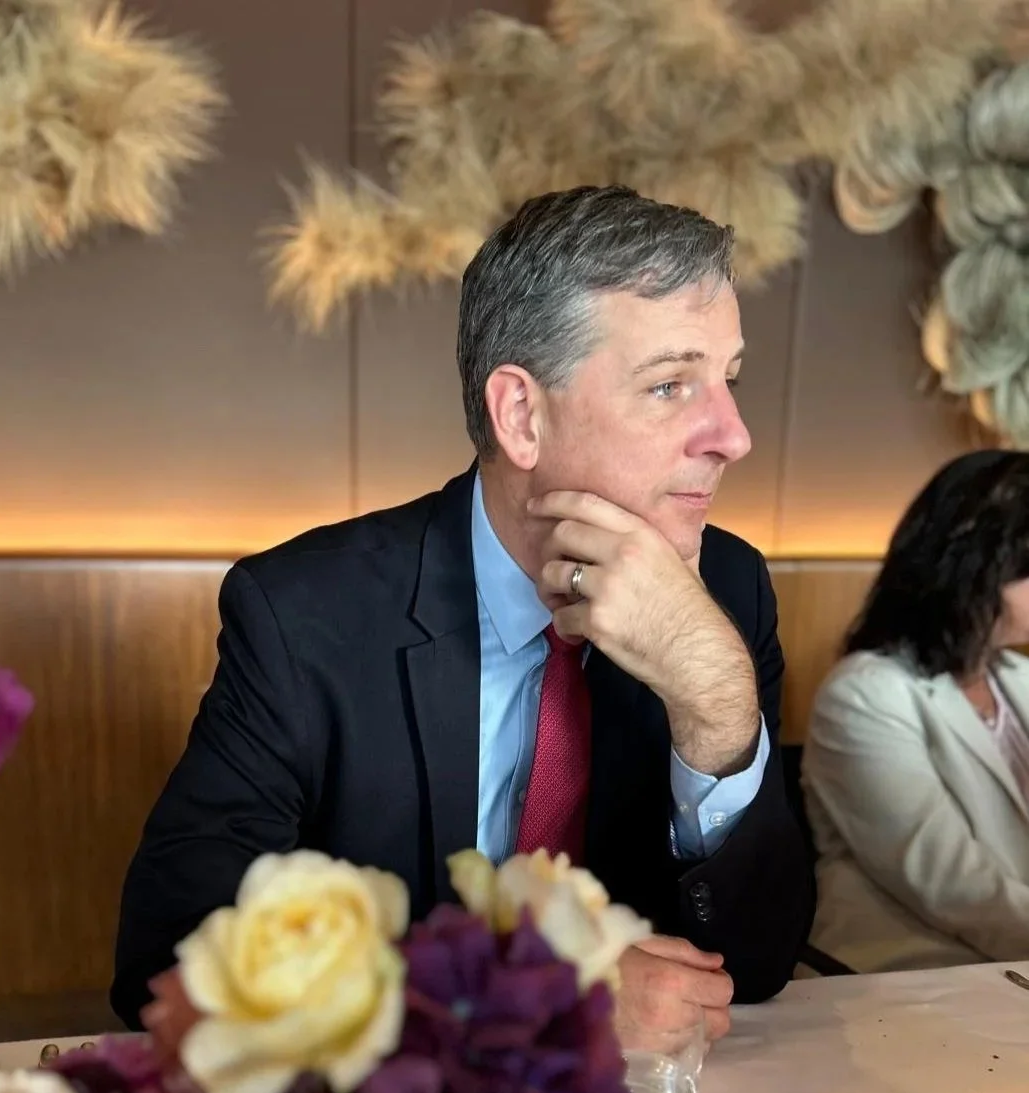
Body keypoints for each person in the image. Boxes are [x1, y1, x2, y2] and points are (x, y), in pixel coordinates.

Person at [113, 186, 815, 1033]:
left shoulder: (727, 589)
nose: (732, 434)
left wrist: (714, 700)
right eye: (670, 386)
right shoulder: (304, 615)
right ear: (521, 414)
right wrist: (531, 997)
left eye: (728, 380)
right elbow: (172, 956)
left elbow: (761, 961)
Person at [804, 450, 1029, 972]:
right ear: (976, 569)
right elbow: (950, 882)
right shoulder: (863, 694)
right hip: (907, 979)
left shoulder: (1018, 680)